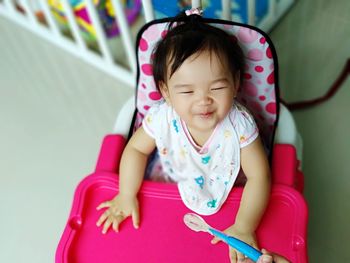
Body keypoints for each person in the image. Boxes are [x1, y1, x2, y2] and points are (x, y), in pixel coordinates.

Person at [96, 8, 271, 263]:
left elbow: (260, 176)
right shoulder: (162, 117)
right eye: (187, 92)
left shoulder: (240, 125)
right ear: (165, 92)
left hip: (233, 188)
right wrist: (126, 194)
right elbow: (135, 150)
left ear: (235, 83)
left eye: (217, 87)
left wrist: (244, 225)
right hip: (173, 181)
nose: (203, 100)